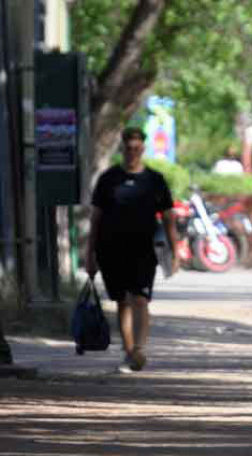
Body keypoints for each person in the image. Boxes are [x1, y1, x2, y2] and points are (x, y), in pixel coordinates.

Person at [86, 127, 178, 374]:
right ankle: (128, 351)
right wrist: (89, 254)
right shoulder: (109, 179)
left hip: (144, 249)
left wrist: (175, 251)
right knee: (122, 301)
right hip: (111, 249)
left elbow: (169, 217)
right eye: (128, 148)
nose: (132, 152)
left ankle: (138, 348)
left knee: (140, 298)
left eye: (137, 148)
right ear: (122, 148)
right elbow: (96, 218)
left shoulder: (155, 180)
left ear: (143, 149)